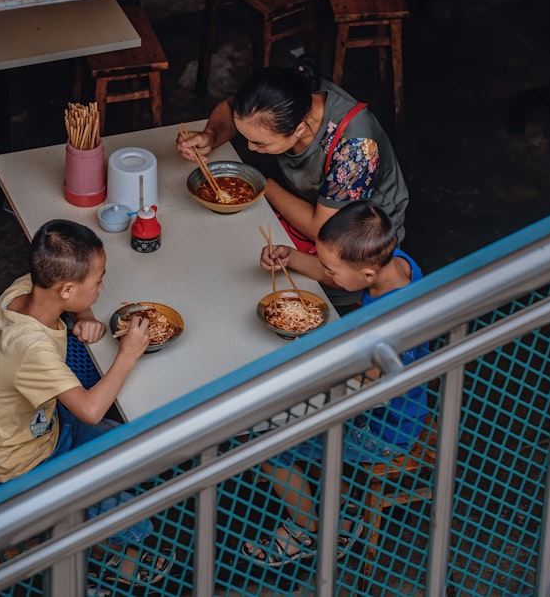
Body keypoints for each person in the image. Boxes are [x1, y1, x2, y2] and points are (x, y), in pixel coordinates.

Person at [0, 218, 177, 589]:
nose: (101, 287)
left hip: (48, 428)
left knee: (137, 450)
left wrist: (87, 315)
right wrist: (128, 353)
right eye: (97, 282)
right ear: (66, 288)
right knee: (127, 506)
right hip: (19, 466)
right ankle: (110, 556)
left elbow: (67, 302)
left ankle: (104, 542)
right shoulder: (29, 347)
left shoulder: (26, 289)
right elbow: (91, 409)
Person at [243, 200, 429, 567]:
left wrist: (309, 361)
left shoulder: (392, 322)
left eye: (331, 267)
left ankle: (306, 530)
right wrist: (291, 258)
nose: (327, 272)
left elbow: (359, 385)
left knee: (263, 444)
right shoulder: (395, 262)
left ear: (368, 275)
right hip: (390, 409)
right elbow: (337, 275)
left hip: (382, 430)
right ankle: (343, 502)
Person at [176, 57, 410, 307]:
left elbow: (323, 228)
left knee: (275, 293)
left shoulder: (355, 145)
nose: (250, 148)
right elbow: (231, 107)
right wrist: (211, 135)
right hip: (309, 208)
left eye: (260, 143)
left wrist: (264, 186)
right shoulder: (281, 96)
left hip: (359, 238)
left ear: (298, 130)